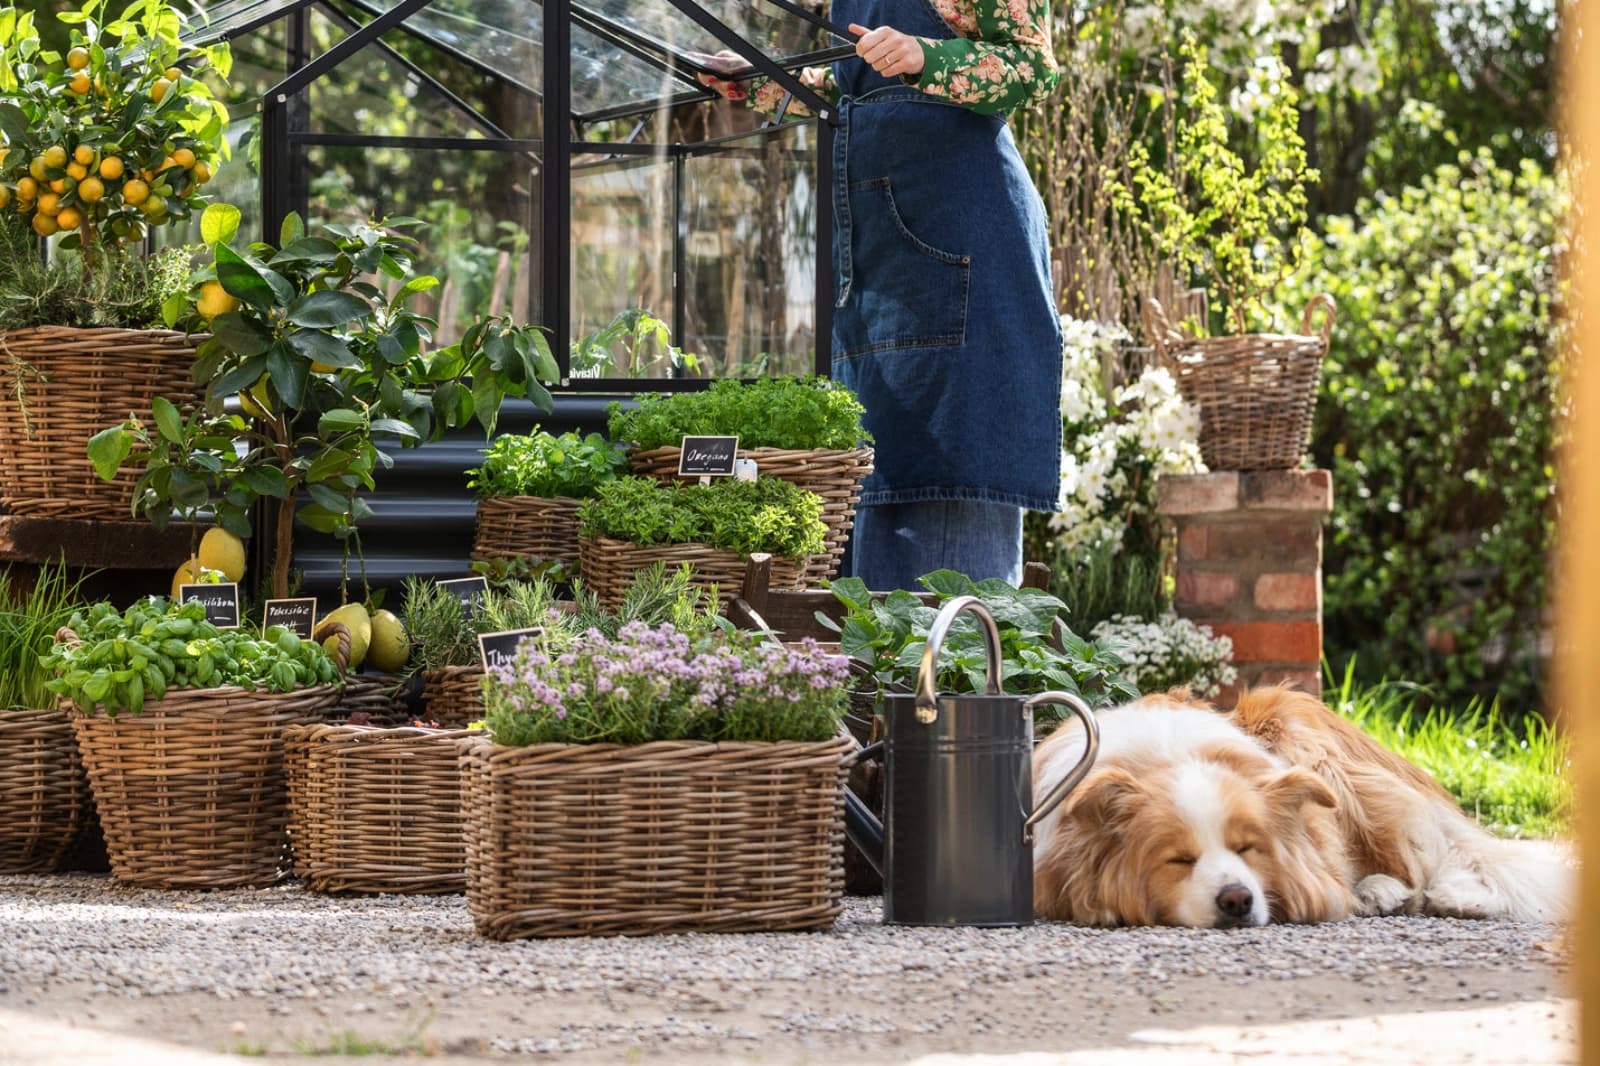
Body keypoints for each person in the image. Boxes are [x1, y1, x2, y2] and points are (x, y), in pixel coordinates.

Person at [698, 1, 1062, 591]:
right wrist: (758, 82)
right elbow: (851, 88)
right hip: (877, 260)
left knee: (946, 486)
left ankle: (953, 681)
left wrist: (926, 56)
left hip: (960, 246)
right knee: (874, 487)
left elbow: (1032, 67)